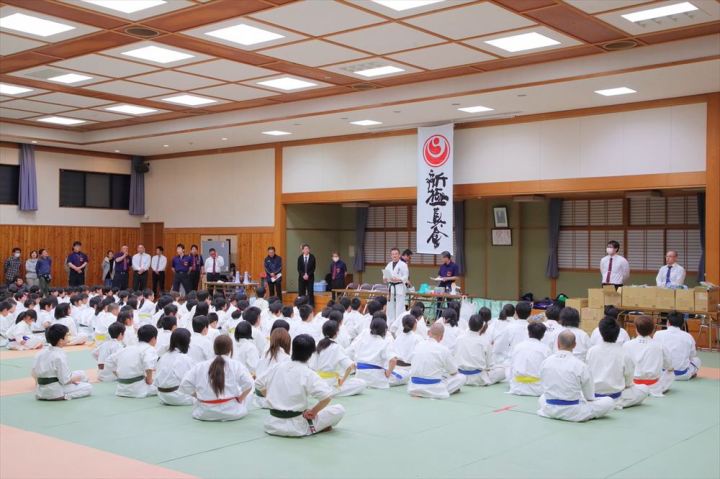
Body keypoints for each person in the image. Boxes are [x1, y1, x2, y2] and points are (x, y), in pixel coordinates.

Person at [255, 334, 345, 437]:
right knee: (339, 409)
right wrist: (313, 412)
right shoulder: (308, 373)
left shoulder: (277, 366)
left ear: (293, 349)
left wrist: (270, 396)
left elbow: (258, 383)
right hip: (297, 428)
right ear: (312, 353)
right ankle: (319, 427)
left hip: (272, 425)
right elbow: (326, 397)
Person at [537, 330, 614, 422]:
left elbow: (544, 386)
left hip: (550, 409)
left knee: (542, 398)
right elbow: (589, 397)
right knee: (609, 401)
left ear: (557, 344)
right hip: (573, 412)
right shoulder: (581, 365)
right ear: (574, 345)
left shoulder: (545, 362)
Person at [180, 335, 254, 421]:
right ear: (230, 349)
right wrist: (241, 398)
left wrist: (198, 396)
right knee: (246, 388)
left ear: (214, 348)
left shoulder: (200, 366)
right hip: (232, 412)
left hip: (205, 413)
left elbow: (184, 385)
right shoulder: (236, 365)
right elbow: (249, 384)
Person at [586, 317, 649, 409]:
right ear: (618, 333)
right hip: (617, 397)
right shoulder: (624, 353)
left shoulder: (591, 351)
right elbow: (628, 380)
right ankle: (613, 404)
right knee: (644, 389)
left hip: (595, 395)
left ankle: (602, 404)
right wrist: (626, 385)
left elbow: (587, 374)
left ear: (600, 332)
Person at [32, 324, 92, 401]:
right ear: (61, 341)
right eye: (67, 336)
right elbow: (64, 380)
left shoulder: (40, 353)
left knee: (81, 373)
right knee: (88, 387)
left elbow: (34, 373)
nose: (68, 337)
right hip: (55, 391)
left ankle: (59, 392)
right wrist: (75, 379)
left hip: (40, 391)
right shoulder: (59, 356)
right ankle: (64, 396)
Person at [407, 322, 466, 399]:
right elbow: (454, 372)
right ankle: (437, 391)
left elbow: (410, 361)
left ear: (428, 333)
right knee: (461, 377)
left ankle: (420, 391)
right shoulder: (443, 349)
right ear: (442, 337)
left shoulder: (418, 345)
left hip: (414, 387)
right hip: (434, 389)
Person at [623, 316, 674, 397]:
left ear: (636, 329)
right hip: (653, 386)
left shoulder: (627, 345)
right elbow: (669, 366)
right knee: (671, 372)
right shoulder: (659, 345)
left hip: (633, 385)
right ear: (653, 330)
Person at [313, 320, 366, 397]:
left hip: (316, 383)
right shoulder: (336, 347)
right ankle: (329, 392)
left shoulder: (317, 344)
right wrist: (342, 380)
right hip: (330, 385)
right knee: (361, 383)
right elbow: (350, 366)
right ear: (336, 333)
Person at [105, 324, 159, 398]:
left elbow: (108, 361)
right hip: (138, 390)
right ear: (153, 338)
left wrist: (118, 375)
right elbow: (148, 364)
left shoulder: (127, 348)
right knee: (161, 385)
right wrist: (149, 380)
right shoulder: (149, 349)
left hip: (121, 389)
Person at [455, 310, 505, 387]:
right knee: (502, 371)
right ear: (482, 327)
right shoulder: (485, 341)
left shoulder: (459, 338)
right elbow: (489, 366)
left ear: (468, 324)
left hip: (461, 375)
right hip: (479, 377)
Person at [347, 316, 399, 389]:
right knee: (402, 376)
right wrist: (388, 373)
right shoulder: (384, 342)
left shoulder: (362, 339)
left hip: (360, 375)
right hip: (376, 379)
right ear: (385, 330)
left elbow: (351, 351)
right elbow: (393, 360)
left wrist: (355, 367)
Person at [653, 311, 701, 380]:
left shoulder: (658, 334)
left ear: (668, 322)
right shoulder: (688, 336)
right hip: (682, 375)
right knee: (697, 360)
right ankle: (691, 373)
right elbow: (692, 355)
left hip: (662, 374)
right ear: (682, 324)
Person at [508, 322, 550, 396]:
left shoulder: (518, 346)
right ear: (543, 335)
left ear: (528, 333)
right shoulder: (546, 349)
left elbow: (511, 367)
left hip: (517, 387)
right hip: (537, 389)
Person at [155, 329, 195, 406]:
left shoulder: (163, 356)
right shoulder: (184, 358)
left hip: (162, 396)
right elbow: (189, 381)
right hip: (178, 397)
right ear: (186, 342)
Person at [383, 247, 409, 329]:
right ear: (391, 255)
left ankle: (399, 325)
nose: (394, 255)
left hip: (399, 286)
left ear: (399, 255)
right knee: (390, 307)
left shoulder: (403, 265)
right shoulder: (389, 264)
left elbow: (406, 276)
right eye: (393, 254)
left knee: (399, 307)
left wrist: (398, 279)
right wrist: (385, 278)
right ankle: (390, 324)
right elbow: (385, 275)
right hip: (391, 287)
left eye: (396, 254)